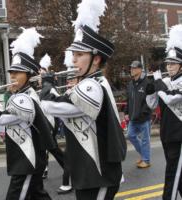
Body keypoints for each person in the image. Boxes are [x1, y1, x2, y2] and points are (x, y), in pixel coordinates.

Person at [40, 0, 126, 199]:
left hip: (99, 174)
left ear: (96, 59)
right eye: (73, 55)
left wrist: (46, 85)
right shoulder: (87, 83)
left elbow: (51, 105)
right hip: (88, 173)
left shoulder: (92, 86)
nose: (73, 60)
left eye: (79, 55)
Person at [0, 27, 54, 200]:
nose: (13, 76)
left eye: (17, 72)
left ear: (29, 74)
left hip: (28, 158)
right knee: (38, 195)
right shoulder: (20, 95)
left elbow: (0, 119)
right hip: (26, 156)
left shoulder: (25, 98)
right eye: (12, 72)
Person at [146, 24, 182, 200]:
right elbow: (152, 104)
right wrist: (150, 89)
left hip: (179, 137)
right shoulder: (165, 82)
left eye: (174, 63)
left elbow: (170, 98)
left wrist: (159, 82)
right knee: (179, 177)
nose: (169, 66)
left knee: (171, 176)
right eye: (168, 63)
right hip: (166, 134)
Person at [38, 53, 72, 194]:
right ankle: (44, 170)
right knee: (48, 149)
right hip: (45, 123)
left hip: (50, 123)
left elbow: (59, 103)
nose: (39, 80)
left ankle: (69, 170)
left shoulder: (50, 89)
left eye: (41, 78)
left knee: (53, 149)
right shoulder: (46, 89)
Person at [124, 60, 152, 168]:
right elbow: (128, 100)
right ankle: (144, 155)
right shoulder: (130, 84)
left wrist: (143, 113)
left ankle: (146, 160)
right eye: (131, 68)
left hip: (144, 118)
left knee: (145, 140)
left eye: (134, 68)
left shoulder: (147, 83)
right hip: (132, 118)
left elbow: (150, 101)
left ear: (140, 70)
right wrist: (126, 112)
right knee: (131, 136)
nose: (132, 70)